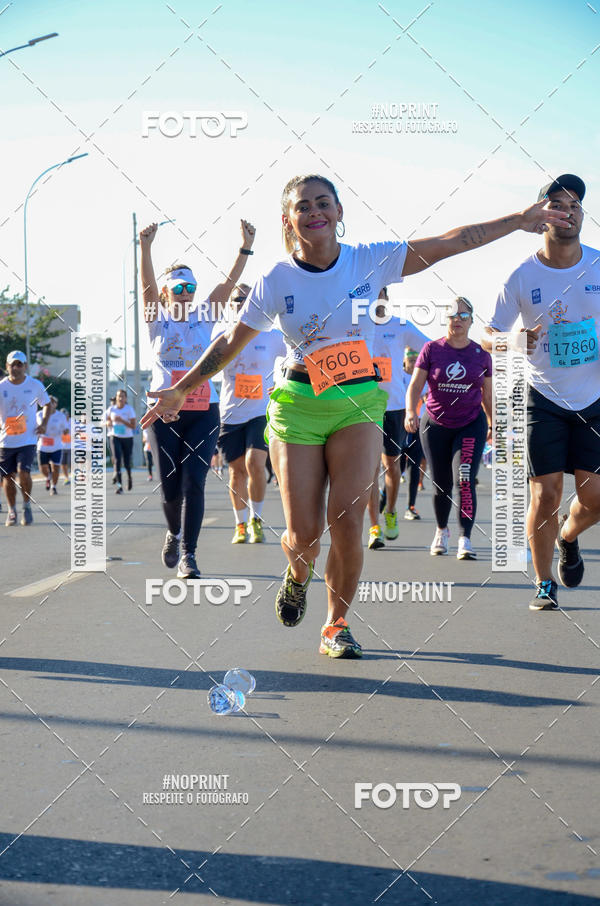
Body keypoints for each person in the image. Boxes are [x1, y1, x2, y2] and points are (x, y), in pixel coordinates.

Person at [141, 173, 568, 658]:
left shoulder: (371, 259)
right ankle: (298, 572)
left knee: (346, 523)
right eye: (303, 206)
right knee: (303, 538)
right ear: (290, 220)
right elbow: (229, 341)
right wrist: (181, 389)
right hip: (297, 405)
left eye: (324, 203)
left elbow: (452, 241)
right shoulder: (277, 279)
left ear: (340, 212)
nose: (315, 211)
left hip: (357, 403)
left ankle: (335, 625)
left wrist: (520, 220)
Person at [483, 173, 600, 611]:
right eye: (557, 204)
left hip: (594, 398)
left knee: (594, 498)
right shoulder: (520, 275)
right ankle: (544, 581)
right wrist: (511, 342)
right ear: (541, 215)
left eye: (575, 205)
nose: (568, 212)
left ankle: (569, 537)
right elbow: (487, 336)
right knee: (545, 493)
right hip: (542, 398)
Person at [140, 217, 256, 578]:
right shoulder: (155, 318)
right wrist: (144, 248)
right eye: (179, 287)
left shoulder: (206, 314)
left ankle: (189, 554)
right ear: (166, 293)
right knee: (171, 486)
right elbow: (145, 285)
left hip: (204, 410)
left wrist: (245, 248)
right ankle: (174, 534)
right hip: (165, 412)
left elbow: (229, 284)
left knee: (195, 481)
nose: (186, 292)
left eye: (191, 286)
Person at [405, 297, 492, 559]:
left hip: (470, 424)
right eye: (453, 315)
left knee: (465, 480)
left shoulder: (481, 355)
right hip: (435, 425)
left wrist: (496, 425)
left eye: (464, 316)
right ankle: (441, 532)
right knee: (441, 483)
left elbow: (488, 396)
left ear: (471, 321)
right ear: (446, 318)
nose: (458, 320)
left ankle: (465, 538)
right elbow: (415, 386)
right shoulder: (432, 349)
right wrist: (411, 411)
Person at [211, 284, 286, 544]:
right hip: (231, 413)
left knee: (255, 463)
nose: (242, 303)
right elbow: (204, 364)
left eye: (247, 299)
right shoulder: (221, 332)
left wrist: (284, 381)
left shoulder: (270, 334)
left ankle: (256, 519)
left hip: (260, 412)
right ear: (230, 304)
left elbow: (298, 353)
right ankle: (240, 524)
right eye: (237, 299)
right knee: (236, 471)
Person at [366, 289, 429, 550]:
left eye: (381, 294)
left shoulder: (400, 326)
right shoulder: (355, 327)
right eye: (371, 295)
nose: (376, 300)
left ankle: (390, 510)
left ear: (387, 299)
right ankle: (374, 527)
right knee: (369, 471)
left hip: (393, 407)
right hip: (364, 407)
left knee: (392, 466)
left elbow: (430, 348)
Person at [0, 350, 51, 526]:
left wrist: (43, 422)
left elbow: (47, 404)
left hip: (28, 439)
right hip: (6, 440)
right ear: (7, 367)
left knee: (24, 472)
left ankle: (27, 505)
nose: (16, 368)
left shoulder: (34, 384)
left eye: (19, 364)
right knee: (8, 478)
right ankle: (12, 510)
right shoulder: (2, 387)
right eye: (12, 364)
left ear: (25, 366)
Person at [399, 348, 427, 520]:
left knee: (415, 466)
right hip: (399, 426)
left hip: (418, 427)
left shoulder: (423, 377)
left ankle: (411, 507)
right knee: (396, 468)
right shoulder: (398, 376)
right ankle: (385, 498)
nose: (413, 363)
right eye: (411, 360)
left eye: (416, 360)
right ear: (404, 361)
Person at [36, 396, 68, 494]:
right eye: (48, 402)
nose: (50, 404)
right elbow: (37, 426)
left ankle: (53, 487)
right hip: (43, 446)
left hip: (56, 446)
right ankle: (48, 477)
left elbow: (65, 429)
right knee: (42, 468)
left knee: (56, 467)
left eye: (52, 402)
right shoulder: (39, 414)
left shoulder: (61, 416)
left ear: (56, 404)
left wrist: (66, 431)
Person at [107, 389, 136, 494]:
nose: (120, 398)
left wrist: (122, 421)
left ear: (126, 398)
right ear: (116, 397)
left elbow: (133, 426)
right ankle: (119, 486)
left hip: (127, 438)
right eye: (119, 396)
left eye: (123, 396)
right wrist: (108, 423)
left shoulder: (129, 409)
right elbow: (107, 421)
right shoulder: (111, 409)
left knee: (127, 462)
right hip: (115, 437)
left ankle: (129, 478)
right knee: (117, 460)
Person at [104, 395, 117, 482]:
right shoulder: (108, 411)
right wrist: (107, 423)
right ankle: (115, 470)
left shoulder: (123, 409)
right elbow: (102, 422)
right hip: (111, 435)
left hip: (122, 436)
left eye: (114, 400)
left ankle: (117, 468)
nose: (112, 402)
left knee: (119, 455)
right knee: (114, 455)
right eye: (111, 400)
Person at [60, 408, 72, 484]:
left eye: (66, 415)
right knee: (63, 464)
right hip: (61, 446)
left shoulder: (73, 421)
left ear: (68, 415)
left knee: (70, 463)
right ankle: (66, 478)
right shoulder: (59, 422)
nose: (64, 417)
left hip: (71, 446)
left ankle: (75, 476)